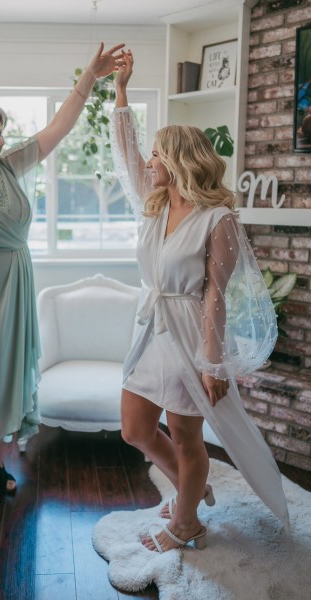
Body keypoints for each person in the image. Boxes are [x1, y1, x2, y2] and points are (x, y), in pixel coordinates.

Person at [0, 42, 125, 505]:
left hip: (14, 293)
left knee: (5, 381)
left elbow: (59, 127)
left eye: (0, 133)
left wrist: (90, 78)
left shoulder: (10, 167)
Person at [110, 50, 289, 552]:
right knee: (134, 429)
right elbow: (126, 154)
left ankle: (186, 520)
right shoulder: (156, 202)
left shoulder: (218, 220)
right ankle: (195, 490)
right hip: (150, 329)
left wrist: (212, 362)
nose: (148, 161)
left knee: (189, 439)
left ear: (178, 160)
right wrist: (121, 92)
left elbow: (214, 296)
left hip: (190, 333)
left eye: (157, 154)